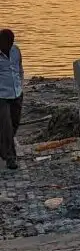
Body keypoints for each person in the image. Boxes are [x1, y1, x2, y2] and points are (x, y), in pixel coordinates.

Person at [0, 28, 23, 171]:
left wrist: (21, 83)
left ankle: (3, 147)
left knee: (14, 125)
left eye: (11, 42)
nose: (9, 45)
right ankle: (10, 158)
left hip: (17, 94)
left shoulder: (16, 51)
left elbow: (19, 67)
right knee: (7, 127)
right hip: (1, 97)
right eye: (6, 42)